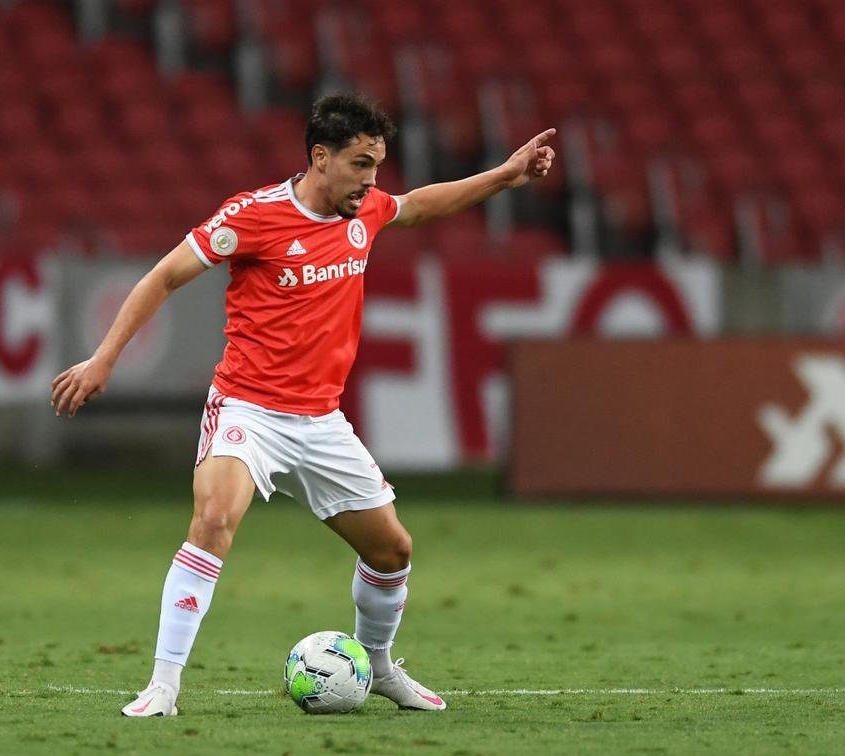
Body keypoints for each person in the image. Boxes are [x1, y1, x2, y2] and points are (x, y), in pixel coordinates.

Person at [51, 93, 555, 717]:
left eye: (376, 166)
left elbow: (422, 205)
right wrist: (104, 358)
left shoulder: (364, 210)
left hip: (320, 420)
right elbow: (164, 276)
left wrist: (506, 176)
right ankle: (163, 685)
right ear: (321, 157)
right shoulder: (253, 216)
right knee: (213, 521)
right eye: (360, 164)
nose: (371, 181)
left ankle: (378, 667)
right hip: (247, 410)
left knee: (392, 551)